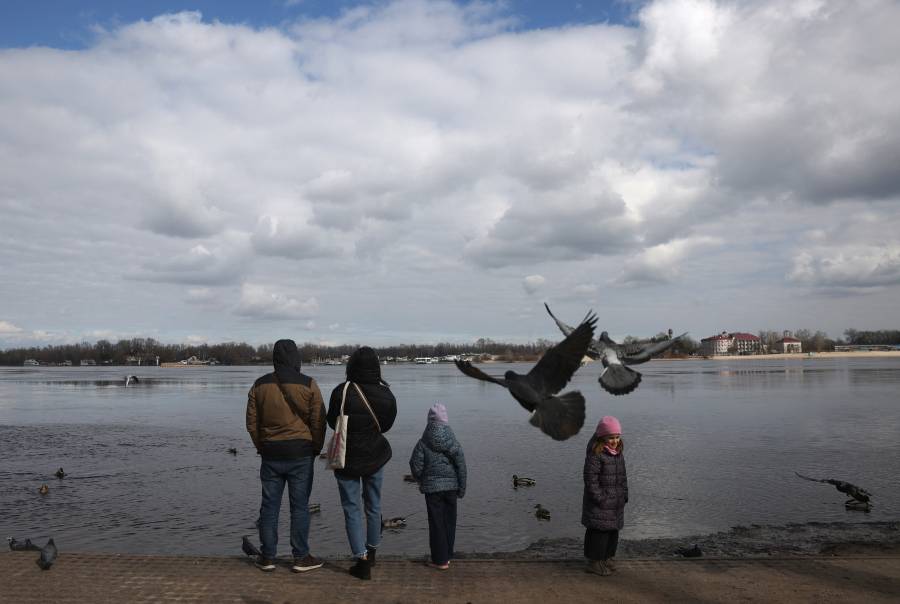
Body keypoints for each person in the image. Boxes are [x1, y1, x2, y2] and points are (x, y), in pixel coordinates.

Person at [246, 339, 326, 573]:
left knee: (269, 507)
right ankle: (300, 557)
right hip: (301, 453)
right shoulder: (309, 384)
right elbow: (318, 421)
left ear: (275, 358)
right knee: (299, 507)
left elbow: (252, 423)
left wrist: (261, 446)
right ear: (296, 358)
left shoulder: (259, 385)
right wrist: (315, 448)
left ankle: (268, 556)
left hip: (271, 453)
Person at [327, 346, 397, 580]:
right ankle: (373, 551)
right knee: (374, 504)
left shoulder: (342, 391)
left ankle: (361, 559)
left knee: (351, 508)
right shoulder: (386, 394)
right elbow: (386, 426)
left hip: (346, 457)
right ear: (376, 366)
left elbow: (331, 422)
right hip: (375, 456)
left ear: (351, 366)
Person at [409, 403, 467, 570]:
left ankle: (440, 560)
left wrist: (421, 480)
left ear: (429, 421)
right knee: (449, 522)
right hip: (451, 488)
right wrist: (462, 488)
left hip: (432, 489)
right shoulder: (453, 442)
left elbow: (415, 465)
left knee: (436, 524)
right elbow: (461, 466)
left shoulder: (423, 443)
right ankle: (447, 556)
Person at [582, 415, 628, 576]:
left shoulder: (617, 452)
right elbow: (590, 480)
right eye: (611, 438)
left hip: (616, 501)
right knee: (598, 532)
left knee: (612, 531)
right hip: (600, 503)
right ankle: (595, 562)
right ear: (602, 437)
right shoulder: (596, 453)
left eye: (617, 437)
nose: (615, 441)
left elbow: (622, 476)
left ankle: (607, 558)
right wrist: (600, 498)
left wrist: (624, 494)